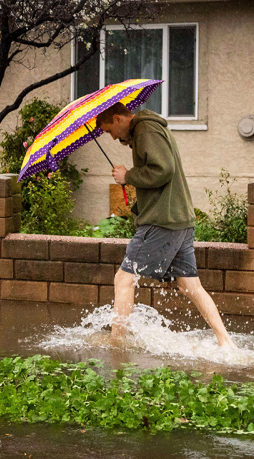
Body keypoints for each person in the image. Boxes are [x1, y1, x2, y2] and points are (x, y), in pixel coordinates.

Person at [96, 102, 236, 348]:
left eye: (109, 130)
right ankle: (226, 342)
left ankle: (116, 344)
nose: (112, 137)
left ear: (117, 119)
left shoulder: (145, 130)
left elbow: (163, 170)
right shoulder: (148, 130)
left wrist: (127, 176)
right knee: (189, 285)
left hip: (162, 221)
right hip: (179, 219)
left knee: (123, 279)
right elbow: (159, 172)